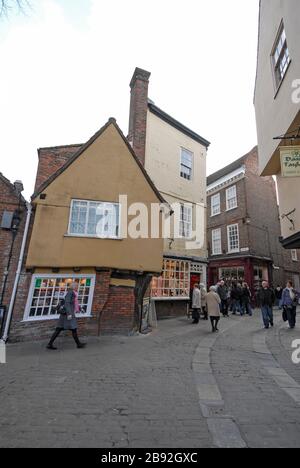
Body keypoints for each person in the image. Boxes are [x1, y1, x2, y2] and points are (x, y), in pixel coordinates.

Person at [47, 282, 86, 350]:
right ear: (73, 286)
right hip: (67, 314)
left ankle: (50, 344)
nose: (77, 287)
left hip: (67, 314)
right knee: (72, 328)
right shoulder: (70, 292)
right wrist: (69, 314)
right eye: (76, 286)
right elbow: (67, 303)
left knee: (61, 329)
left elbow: (74, 303)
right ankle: (78, 344)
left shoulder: (73, 293)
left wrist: (80, 308)